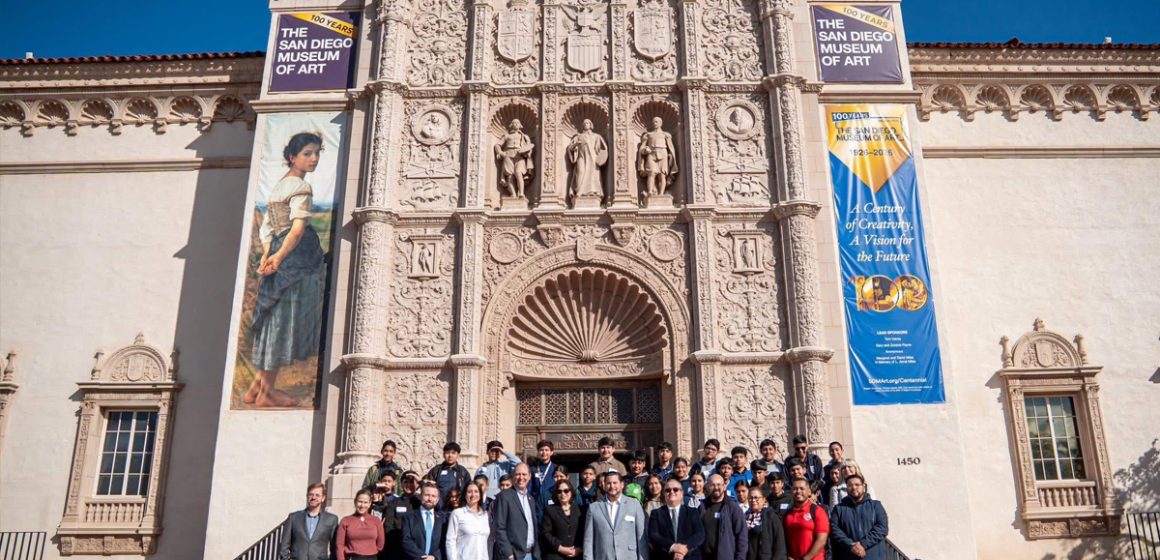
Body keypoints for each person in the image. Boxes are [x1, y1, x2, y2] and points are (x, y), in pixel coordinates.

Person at [245, 131, 327, 408]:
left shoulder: (280, 186)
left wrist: (267, 254)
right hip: (294, 257)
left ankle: (256, 390)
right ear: (292, 157)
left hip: (280, 252)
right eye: (307, 153)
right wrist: (278, 258)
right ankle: (266, 393)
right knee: (280, 322)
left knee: (273, 320)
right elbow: (296, 230)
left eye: (316, 153)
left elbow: (267, 227)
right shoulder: (301, 189)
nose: (313, 158)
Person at [583, 471, 648, 560]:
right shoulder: (594, 508)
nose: (612, 486)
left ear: (622, 484)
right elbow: (588, 541)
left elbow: (641, 538)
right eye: (608, 483)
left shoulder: (634, 505)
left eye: (615, 483)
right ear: (604, 486)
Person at [828, 475, 889, 560]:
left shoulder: (876, 506)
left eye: (857, 485)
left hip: (873, 556)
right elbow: (834, 529)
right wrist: (850, 545)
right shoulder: (839, 509)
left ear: (864, 486)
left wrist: (863, 544)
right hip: (848, 555)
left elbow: (882, 528)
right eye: (850, 485)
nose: (853, 487)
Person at [647, 479, 706, 560]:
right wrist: (673, 547)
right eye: (668, 490)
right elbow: (654, 535)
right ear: (664, 494)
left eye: (675, 489)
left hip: (690, 557)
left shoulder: (692, 512)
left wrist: (684, 549)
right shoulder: (656, 513)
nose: (671, 492)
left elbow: (700, 534)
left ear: (682, 493)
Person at [279, 482, 339, 560]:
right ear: (307, 496)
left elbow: (334, 547)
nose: (313, 497)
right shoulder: (293, 518)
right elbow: (284, 545)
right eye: (311, 494)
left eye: (317, 495)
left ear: (323, 498)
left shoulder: (331, 519)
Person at [492, 463, 540, 560]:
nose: (521, 477)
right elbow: (499, 527)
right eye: (518, 474)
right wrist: (509, 554)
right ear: (513, 476)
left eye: (524, 474)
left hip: (531, 554)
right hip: (514, 556)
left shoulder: (531, 498)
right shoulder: (504, 496)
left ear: (530, 476)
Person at [701, 474, 747, 560]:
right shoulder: (702, 506)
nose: (716, 488)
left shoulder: (733, 508)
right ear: (707, 486)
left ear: (724, 486)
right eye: (712, 485)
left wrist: (740, 558)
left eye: (719, 484)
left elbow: (742, 536)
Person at [541, 479, 586, 560]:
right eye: (559, 491)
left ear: (571, 492)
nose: (563, 494)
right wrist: (560, 548)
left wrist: (579, 548)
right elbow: (545, 533)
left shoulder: (579, 509)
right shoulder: (550, 510)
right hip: (555, 554)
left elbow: (584, 531)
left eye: (566, 491)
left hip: (576, 554)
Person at [783, 479, 828, 560]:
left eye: (802, 488)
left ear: (809, 492)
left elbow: (821, 540)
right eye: (795, 489)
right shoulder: (788, 515)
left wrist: (806, 558)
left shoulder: (817, 511)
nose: (798, 491)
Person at [566, 118, 608, 203]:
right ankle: (579, 192)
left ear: (591, 125)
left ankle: (593, 192)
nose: (586, 124)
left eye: (588, 123)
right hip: (581, 158)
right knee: (580, 173)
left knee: (593, 175)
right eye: (584, 123)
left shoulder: (597, 136)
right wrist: (575, 145)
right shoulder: (578, 136)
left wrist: (600, 157)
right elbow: (570, 148)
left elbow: (605, 149)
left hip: (593, 159)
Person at [403, 484, 448, 560]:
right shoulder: (409, 517)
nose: (430, 499)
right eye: (427, 495)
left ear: (437, 500)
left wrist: (434, 557)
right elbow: (406, 540)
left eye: (433, 496)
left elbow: (445, 542)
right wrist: (422, 557)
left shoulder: (443, 519)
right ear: (420, 496)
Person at [337, 489, 385, 560]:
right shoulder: (346, 521)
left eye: (365, 502)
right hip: (353, 557)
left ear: (369, 504)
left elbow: (380, 544)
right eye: (360, 502)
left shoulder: (376, 521)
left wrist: (370, 551)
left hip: (371, 557)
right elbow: (339, 544)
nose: (362, 505)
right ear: (355, 502)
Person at [447, 482, 491, 560]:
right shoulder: (458, 513)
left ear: (480, 494)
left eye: (476, 491)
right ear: (465, 494)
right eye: (469, 492)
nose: (473, 495)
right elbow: (450, 541)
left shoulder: (485, 515)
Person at [743, 484, 786, 560]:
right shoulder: (744, 517)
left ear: (763, 499)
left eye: (756, 498)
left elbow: (779, 543)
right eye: (750, 498)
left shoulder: (771, 516)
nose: (753, 500)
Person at [636, 116, 677, 196]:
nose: (654, 123)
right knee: (651, 173)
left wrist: (671, 156)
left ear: (660, 123)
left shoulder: (666, 135)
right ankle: (650, 192)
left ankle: (661, 194)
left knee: (662, 175)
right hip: (651, 154)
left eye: (656, 122)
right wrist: (645, 150)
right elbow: (642, 148)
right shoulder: (648, 135)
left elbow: (671, 148)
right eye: (653, 122)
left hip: (663, 153)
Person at [495, 118, 534, 199]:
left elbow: (529, 146)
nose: (516, 124)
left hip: (520, 155)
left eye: (517, 123)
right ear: (511, 125)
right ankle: (513, 194)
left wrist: (528, 153)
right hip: (508, 154)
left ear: (520, 126)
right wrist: (500, 152)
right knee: (509, 175)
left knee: (518, 173)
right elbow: (497, 145)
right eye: (514, 123)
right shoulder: (507, 136)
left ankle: (521, 193)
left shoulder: (524, 136)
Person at [427, 443, 473, 509]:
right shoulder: (436, 470)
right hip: (439, 509)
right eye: (447, 453)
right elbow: (428, 487)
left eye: (453, 453)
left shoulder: (463, 472)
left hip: (458, 509)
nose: (450, 455)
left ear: (458, 455)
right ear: (443, 454)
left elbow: (468, 489)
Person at [381, 474, 415, 560]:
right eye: (406, 482)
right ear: (402, 484)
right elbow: (388, 525)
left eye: (411, 482)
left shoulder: (420, 502)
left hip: (416, 547)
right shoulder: (394, 502)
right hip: (397, 545)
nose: (408, 485)